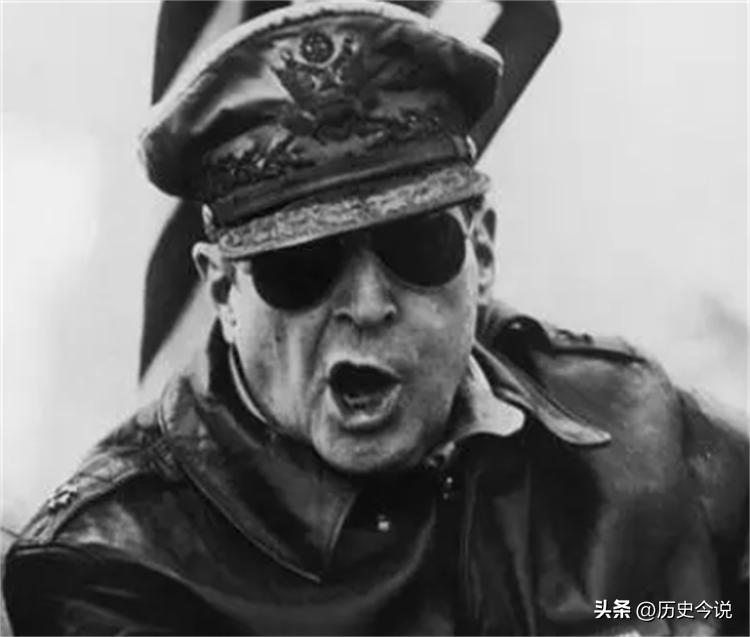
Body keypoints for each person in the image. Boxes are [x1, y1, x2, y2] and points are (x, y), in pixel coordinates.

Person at [3, 2, 747, 635]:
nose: (365, 306)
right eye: (301, 267)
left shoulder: (642, 426)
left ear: (482, 249)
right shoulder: (120, 568)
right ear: (224, 292)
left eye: (416, 246)